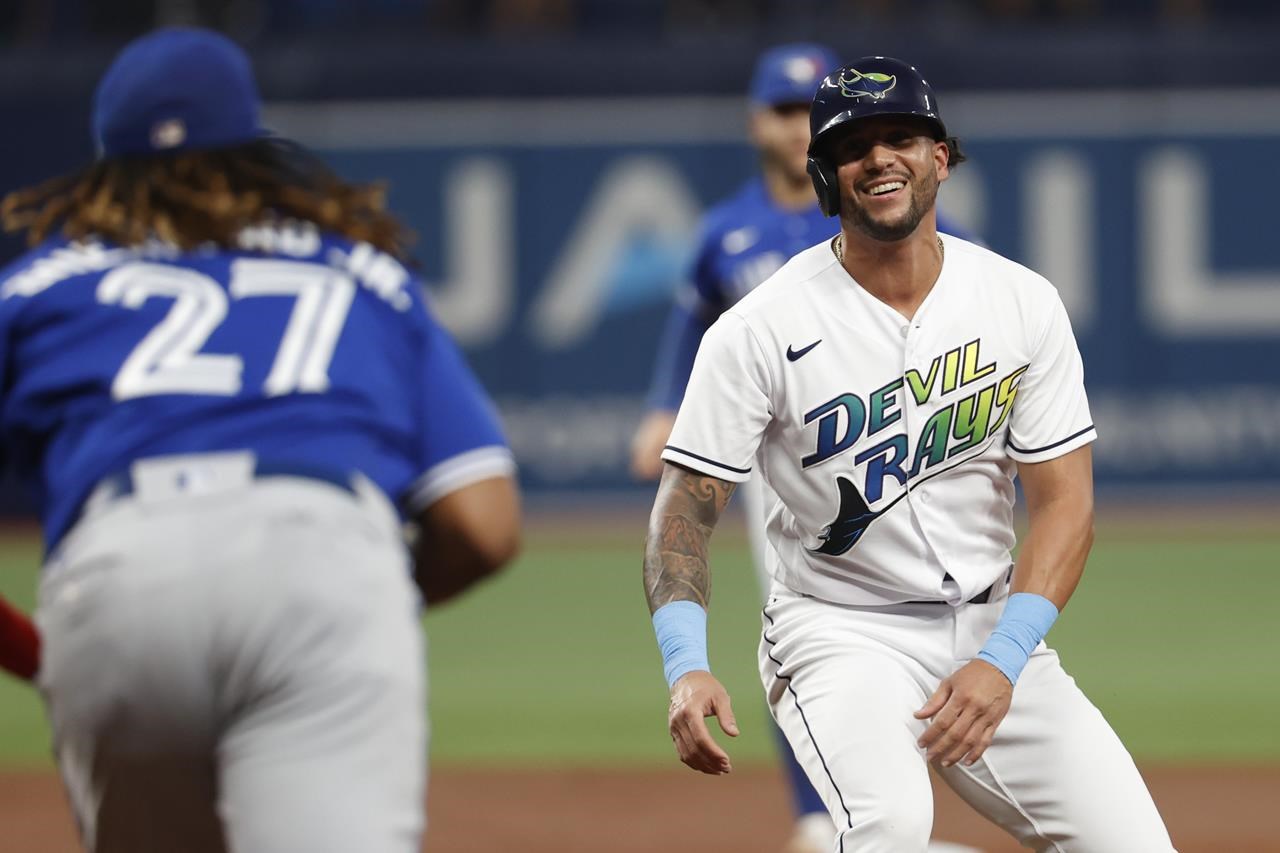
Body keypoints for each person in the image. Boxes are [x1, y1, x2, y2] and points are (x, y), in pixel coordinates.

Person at [0, 28, 520, 853]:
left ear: (106, 164)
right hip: (320, 555)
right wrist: (370, 598)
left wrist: (35, 647)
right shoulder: (361, 273)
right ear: (255, 150)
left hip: (116, 572)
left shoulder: (34, 286)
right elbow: (486, 524)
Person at [642, 56, 1175, 851]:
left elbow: (1067, 505)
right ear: (825, 179)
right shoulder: (756, 329)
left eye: (902, 137)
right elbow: (683, 512)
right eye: (854, 146)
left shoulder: (1020, 301)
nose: (880, 157)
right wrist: (685, 663)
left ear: (941, 158)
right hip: (838, 631)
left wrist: (1004, 657)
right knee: (888, 827)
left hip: (995, 625)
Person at [630, 43, 978, 853]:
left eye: (804, 110)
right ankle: (825, 817)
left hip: (897, 442)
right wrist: (662, 409)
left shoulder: (890, 207)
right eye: (781, 110)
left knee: (931, 615)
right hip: (780, 458)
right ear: (756, 121)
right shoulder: (726, 232)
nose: (794, 126)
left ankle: (873, 812)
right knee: (804, 627)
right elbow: (697, 333)